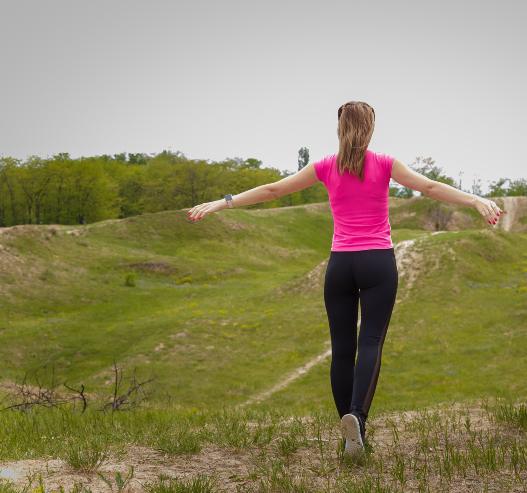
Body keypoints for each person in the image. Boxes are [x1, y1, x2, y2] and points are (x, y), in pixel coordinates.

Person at [187, 101, 504, 458]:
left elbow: (274, 190)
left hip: (340, 266)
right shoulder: (384, 163)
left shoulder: (325, 166)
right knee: (370, 342)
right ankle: (358, 418)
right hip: (377, 264)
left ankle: (349, 433)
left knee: (342, 349)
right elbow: (429, 187)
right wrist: (476, 200)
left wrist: (222, 202)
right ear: (370, 129)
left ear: (339, 129)